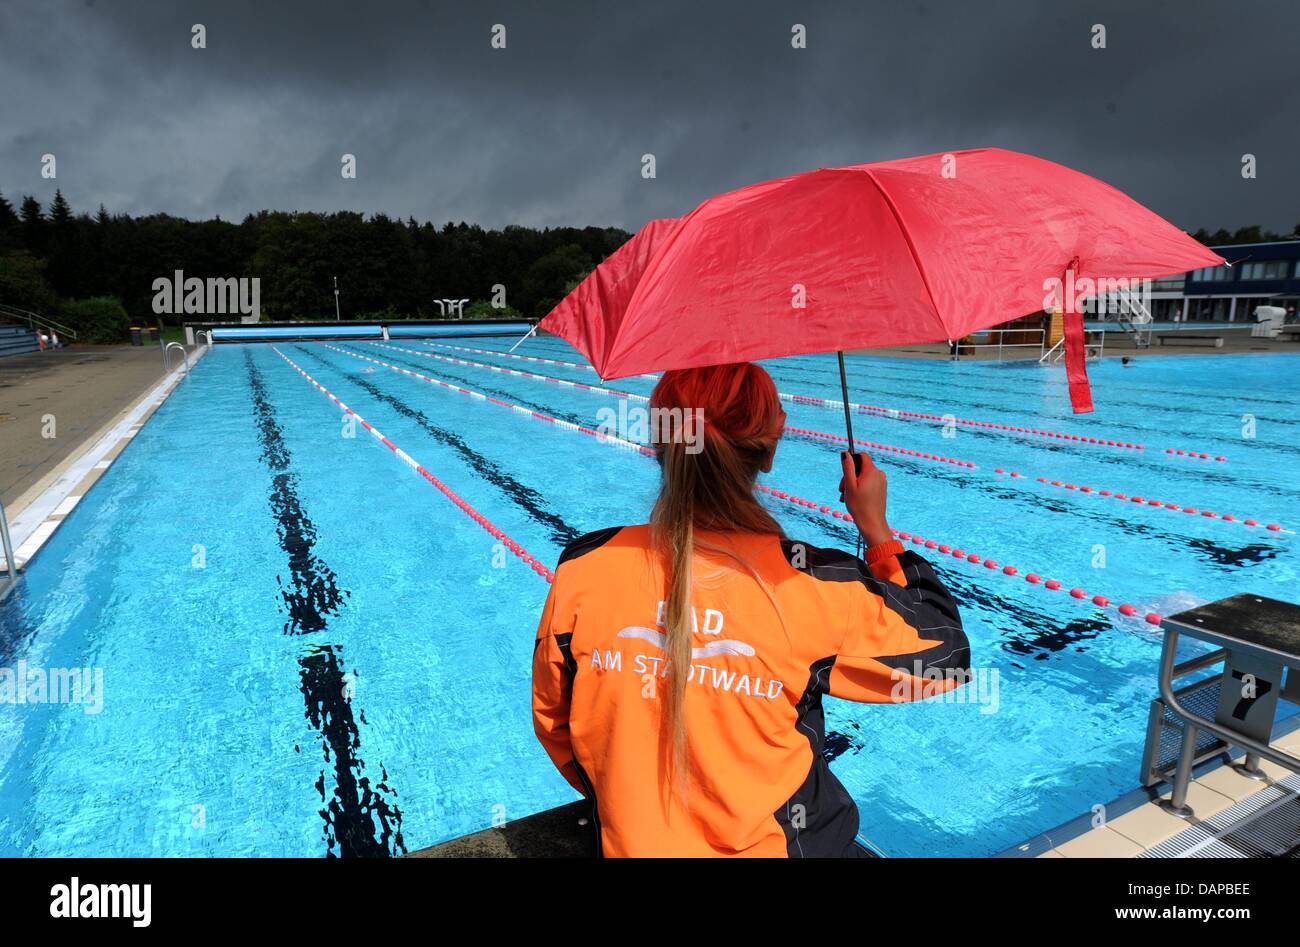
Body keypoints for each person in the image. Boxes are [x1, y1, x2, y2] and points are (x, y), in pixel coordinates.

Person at [531, 362, 970, 857]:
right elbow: (943, 659)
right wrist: (876, 532)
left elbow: (555, 722)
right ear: (769, 448)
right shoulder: (814, 584)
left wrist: (632, 810)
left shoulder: (587, 566)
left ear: (661, 446)